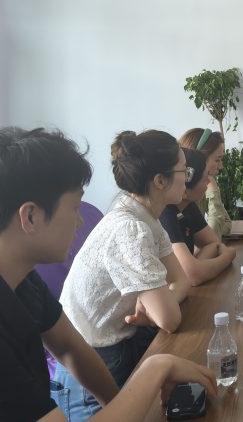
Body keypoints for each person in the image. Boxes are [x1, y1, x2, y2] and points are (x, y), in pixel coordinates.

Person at [0, 127, 215, 421]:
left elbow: (70, 347)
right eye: (75, 207)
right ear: (30, 216)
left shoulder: (19, 278)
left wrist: (122, 406)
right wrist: (157, 368)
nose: (80, 221)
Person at [55, 130, 193, 419]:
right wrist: (159, 308)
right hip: (89, 366)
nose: (188, 177)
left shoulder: (146, 218)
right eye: (184, 170)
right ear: (160, 181)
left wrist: (156, 305)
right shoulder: (130, 228)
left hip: (117, 346)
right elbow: (169, 318)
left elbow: (182, 281)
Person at [159, 148, 236, 285]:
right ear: (185, 189)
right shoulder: (165, 213)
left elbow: (213, 243)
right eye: (205, 179)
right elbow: (193, 277)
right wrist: (228, 256)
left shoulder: (187, 205)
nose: (208, 183)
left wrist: (195, 267)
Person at [178, 128, 232, 235]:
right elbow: (214, 234)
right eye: (217, 160)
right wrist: (213, 192)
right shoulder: (183, 196)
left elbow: (226, 224)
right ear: (199, 159)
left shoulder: (199, 189)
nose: (221, 166)